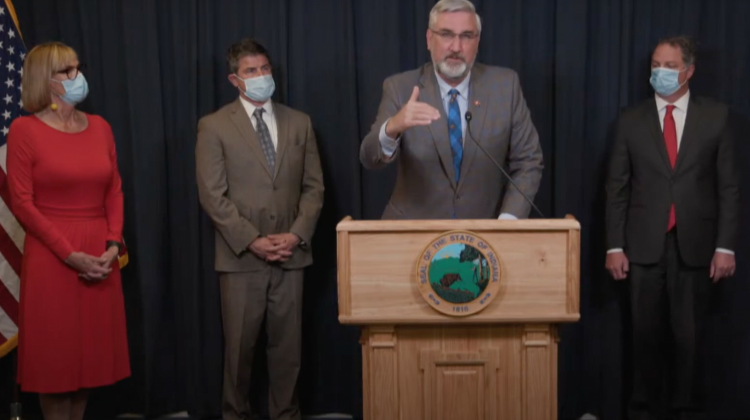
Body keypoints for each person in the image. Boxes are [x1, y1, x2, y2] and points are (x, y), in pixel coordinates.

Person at [605, 36, 739, 420]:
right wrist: (614, 245)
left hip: (697, 248)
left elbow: (728, 187)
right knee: (643, 338)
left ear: (689, 71)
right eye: (655, 65)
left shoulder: (717, 117)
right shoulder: (631, 120)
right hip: (642, 248)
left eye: (668, 65)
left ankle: (688, 411)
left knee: (690, 340)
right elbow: (616, 188)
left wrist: (725, 246)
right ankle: (642, 410)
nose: (660, 72)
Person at [195, 38, 324, 420]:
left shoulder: (299, 121)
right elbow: (212, 196)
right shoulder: (214, 126)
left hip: (291, 255)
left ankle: (287, 414)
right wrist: (252, 240)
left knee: (289, 353)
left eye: (265, 69)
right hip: (240, 260)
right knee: (239, 355)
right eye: (252, 71)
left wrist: (297, 233)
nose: (262, 76)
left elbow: (314, 187)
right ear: (235, 79)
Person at [6, 42, 129, 420]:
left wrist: (112, 243)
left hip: (99, 253)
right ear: (47, 79)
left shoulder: (101, 127)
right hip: (52, 257)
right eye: (68, 70)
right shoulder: (24, 130)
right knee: (56, 370)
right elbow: (23, 203)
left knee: (89, 368)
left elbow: (114, 190)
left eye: (77, 67)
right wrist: (69, 253)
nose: (78, 76)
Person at [360, 0, 543, 220]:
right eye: (446, 34)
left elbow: (528, 162)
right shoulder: (400, 88)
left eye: (466, 36)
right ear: (429, 39)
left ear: (477, 42)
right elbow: (369, 157)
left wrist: (507, 222)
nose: (456, 47)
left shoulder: (505, 86)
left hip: (483, 236)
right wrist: (392, 128)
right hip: (411, 234)